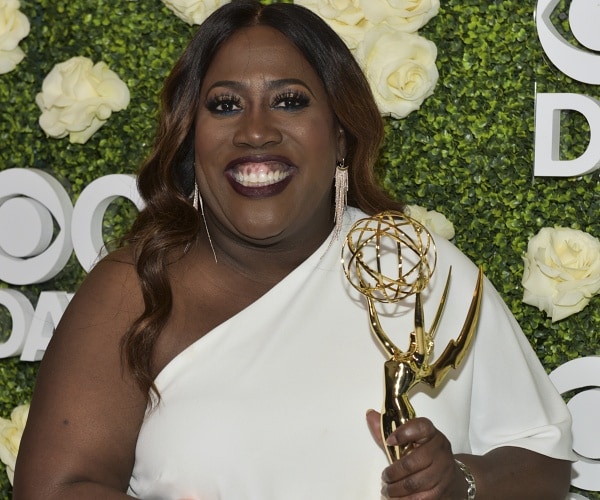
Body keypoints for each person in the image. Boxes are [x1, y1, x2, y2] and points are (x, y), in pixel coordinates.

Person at [14, 1, 574, 499]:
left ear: (339, 135)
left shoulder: (417, 270)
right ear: (191, 137)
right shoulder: (135, 287)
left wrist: (458, 483)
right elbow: (56, 488)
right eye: (225, 105)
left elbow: (544, 467)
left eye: (289, 101)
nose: (256, 131)